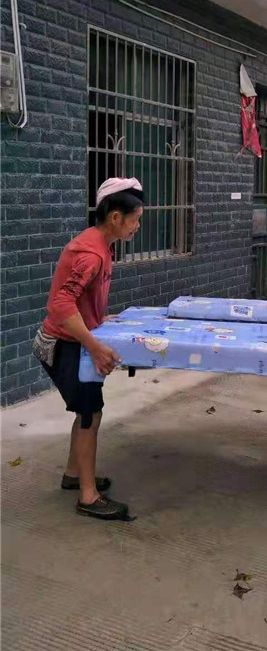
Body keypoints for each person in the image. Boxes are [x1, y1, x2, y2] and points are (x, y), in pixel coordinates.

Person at [32, 177, 144, 519]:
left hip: (72, 340)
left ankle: (73, 474)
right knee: (90, 413)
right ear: (115, 217)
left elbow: (77, 300)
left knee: (86, 410)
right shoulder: (91, 254)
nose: (137, 227)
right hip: (61, 344)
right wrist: (94, 346)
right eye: (135, 219)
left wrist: (98, 317)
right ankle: (88, 496)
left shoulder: (100, 245)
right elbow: (60, 304)